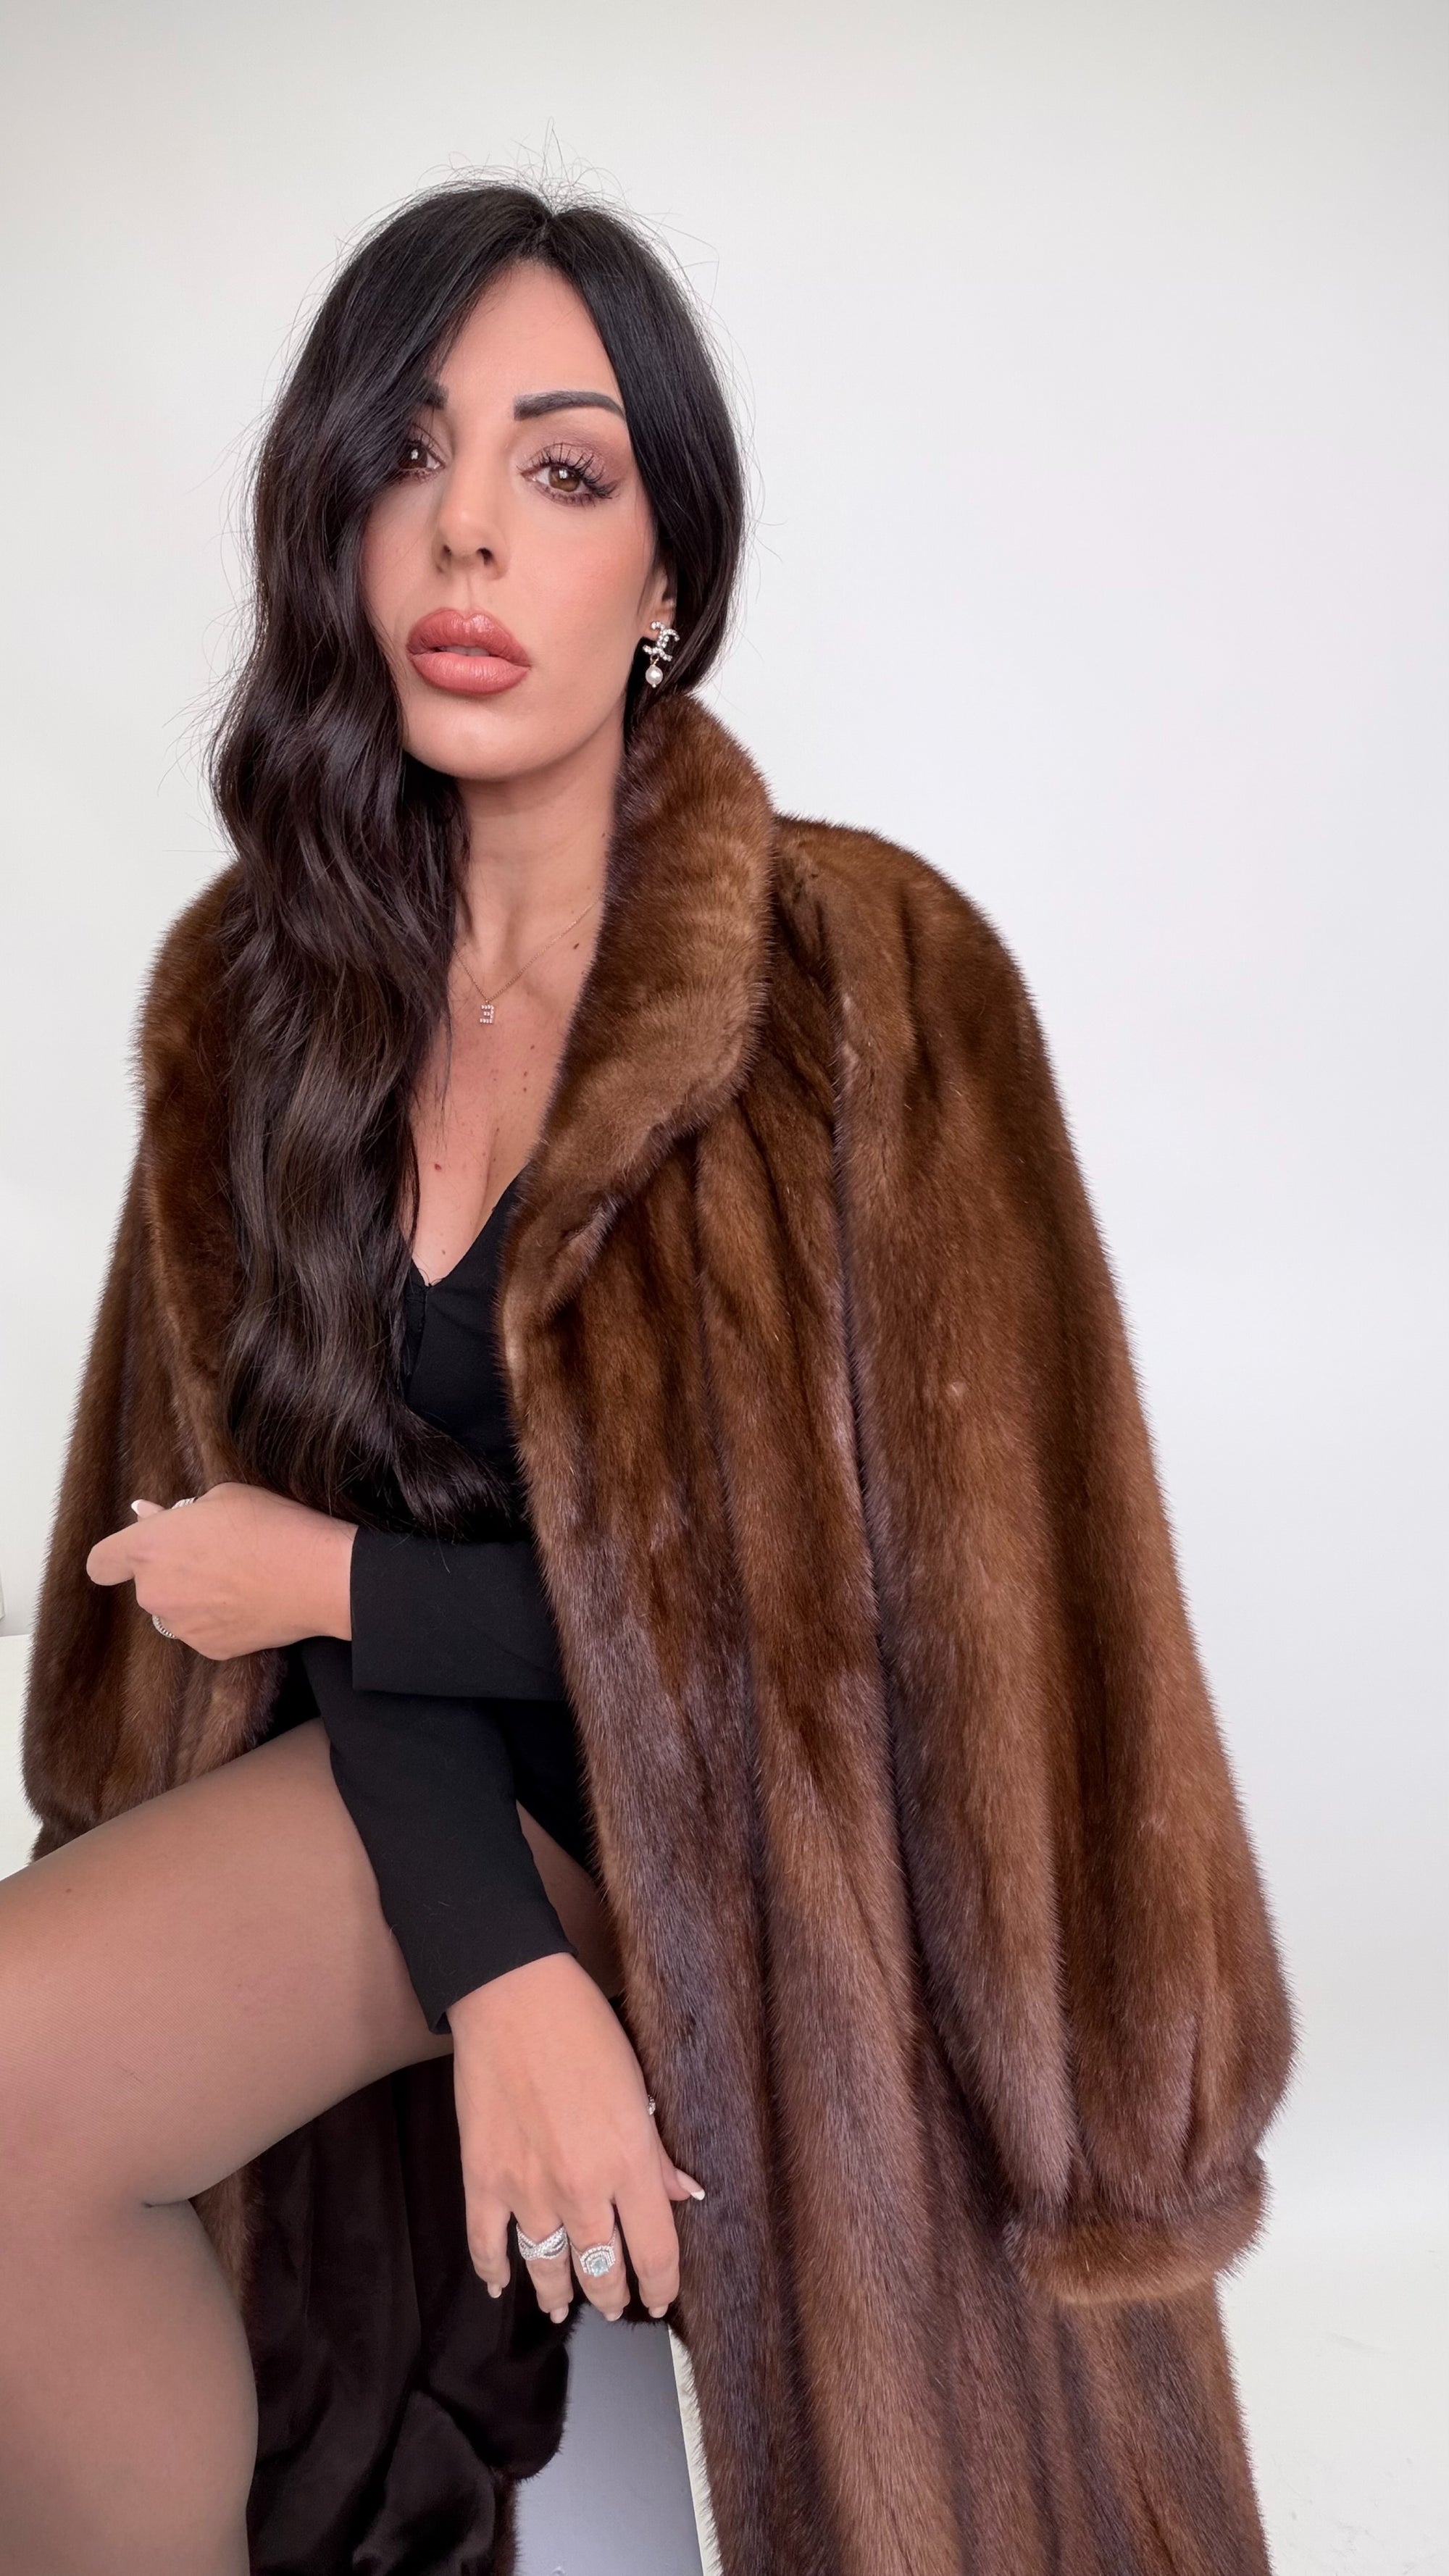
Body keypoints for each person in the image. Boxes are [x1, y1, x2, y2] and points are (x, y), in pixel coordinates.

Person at [5, 180, 1295, 2576]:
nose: (468, 532)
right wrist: (498, 1965)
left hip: (818, 1865)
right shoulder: (266, 996)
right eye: (408, 454)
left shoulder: (867, 980)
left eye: (563, 468)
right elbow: (254, 1583)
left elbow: (917, 1651)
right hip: (449, 1811)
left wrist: (337, 1582)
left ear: (667, 571)